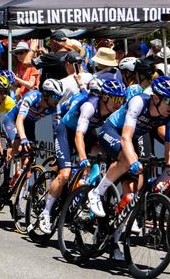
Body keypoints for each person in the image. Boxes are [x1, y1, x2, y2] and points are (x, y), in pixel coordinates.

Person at [88, 76, 170, 259]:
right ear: (156, 98)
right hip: (112, 131)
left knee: (131, 195)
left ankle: (113, 241)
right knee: (126, 159)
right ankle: (96, 192)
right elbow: (125, 137)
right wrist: (133, 161)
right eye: (169, 100)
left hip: (132, 138)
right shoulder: (139, 102)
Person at [36, 79, 125, 234]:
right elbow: (78, 135)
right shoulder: (89, 106)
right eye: (116, 99)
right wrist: (83, 158)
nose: (119, 104)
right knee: (65, 174)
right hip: (67, 132)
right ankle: (46, 212)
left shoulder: (113, 112)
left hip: (88, 134)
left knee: (101, 153)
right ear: (104, 97)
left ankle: (85, 190)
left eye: (121, 100)